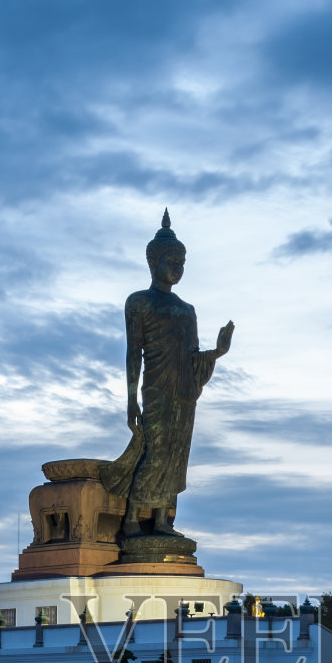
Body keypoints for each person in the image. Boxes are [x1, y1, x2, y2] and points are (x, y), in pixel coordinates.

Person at [101, 211, 233, 538]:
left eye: (182, 263)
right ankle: (132, 520)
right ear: (153, 262)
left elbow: (192, 358)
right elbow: (134, 351)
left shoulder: (188, 310)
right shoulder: (139, 302)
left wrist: (218, 352)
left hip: (185, 393)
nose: (178, 268)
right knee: (156, 452)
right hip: (158, 390)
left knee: (176, 455)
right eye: (172, 261)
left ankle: (162, 520)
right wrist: (131, 400)